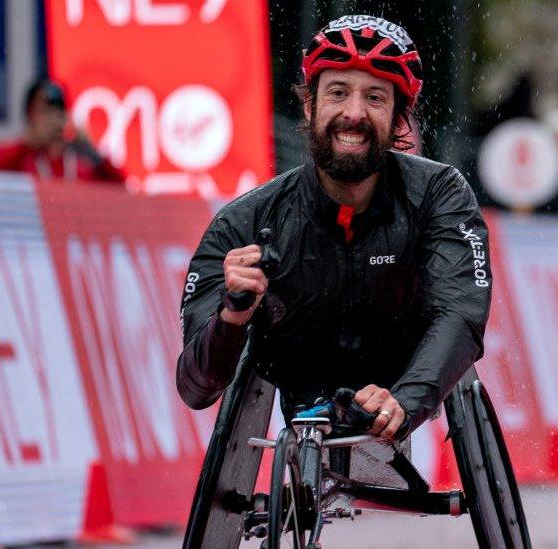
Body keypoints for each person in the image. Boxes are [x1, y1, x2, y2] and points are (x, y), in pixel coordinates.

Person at [176, 15, 491, 440]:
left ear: (399, 120)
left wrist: (406, 401)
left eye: (375, 98)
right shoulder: (244, 221)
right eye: (338, 93)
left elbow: (461, 314)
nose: (354, 114)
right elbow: (195, 388)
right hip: (299, 376)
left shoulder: (440, 193)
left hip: (402, 373)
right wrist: (231, 318)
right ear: (310, 105)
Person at [0, 77, 125, 183]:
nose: (53, 118)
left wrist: (89, 148)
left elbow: (120, 187)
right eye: (44, 111)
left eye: (58, 110)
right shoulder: (21, 160)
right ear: (30, 115)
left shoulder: (79, 163)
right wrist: (27, 144)